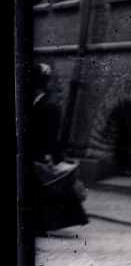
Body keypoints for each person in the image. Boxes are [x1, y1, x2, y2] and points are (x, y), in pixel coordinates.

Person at [30, 63, 87, 236]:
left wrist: (48, 155)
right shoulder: (36, 103)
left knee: (44, 191)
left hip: (44, 154)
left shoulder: (50, 105)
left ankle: (40, 226)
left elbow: (52, 133)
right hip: (35, 153)